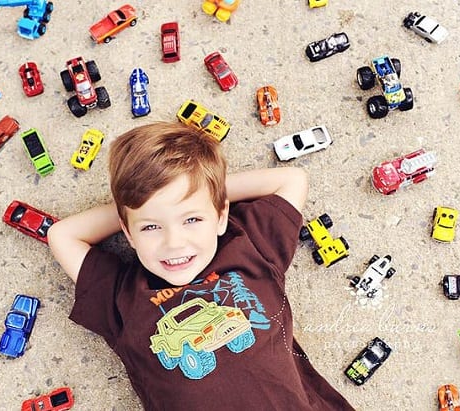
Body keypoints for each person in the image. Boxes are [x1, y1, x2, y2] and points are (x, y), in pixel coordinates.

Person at [48, 122, 354, 410]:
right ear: (127, 232)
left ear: (220, 217)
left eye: (192, 219)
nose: (174, 243)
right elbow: (62, 234)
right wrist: (132, 205)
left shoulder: (248, 247)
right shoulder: (122, 297)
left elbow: (291, 180)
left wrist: (203, 190)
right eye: (150, 227)